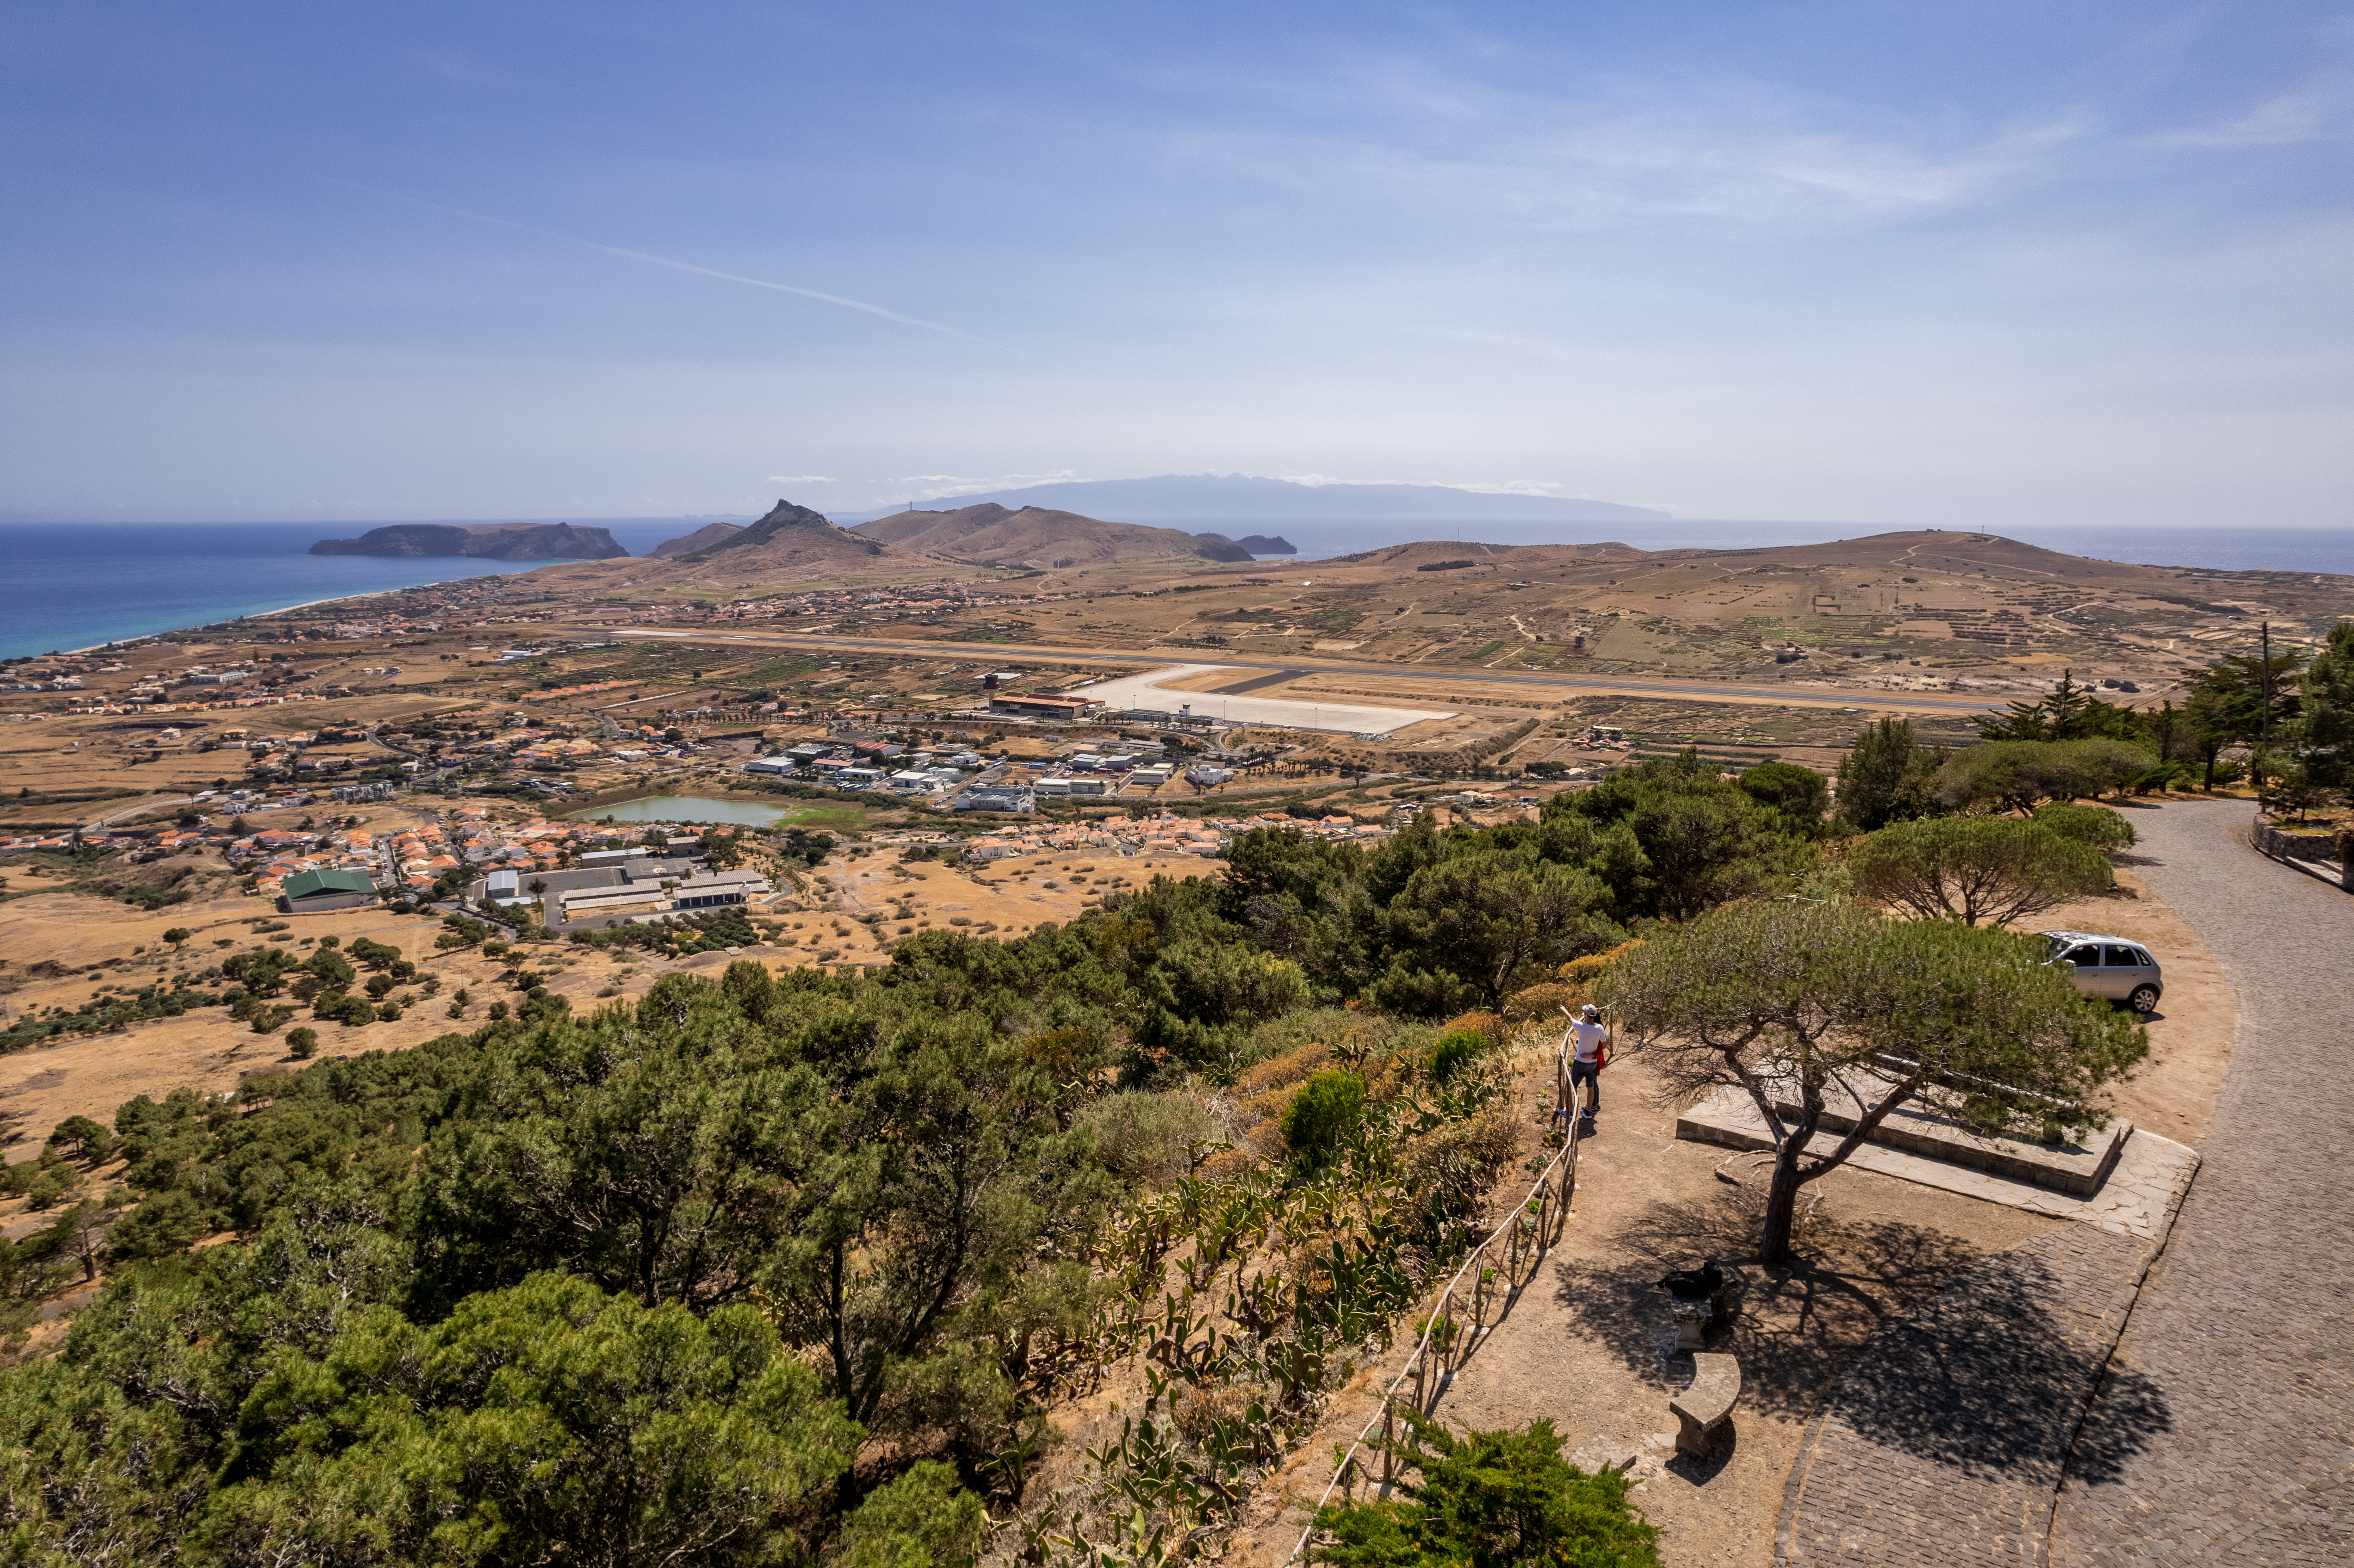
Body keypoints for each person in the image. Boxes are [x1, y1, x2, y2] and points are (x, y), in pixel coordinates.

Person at [1561, 1003, 1609, 1123]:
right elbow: (1604, 1045)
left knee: (1573, 1086)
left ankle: (1571, 1112)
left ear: (1586, 1015)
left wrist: (1565, 1010)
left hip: (1581, 1063)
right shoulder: (1600, 1028)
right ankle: (1588, 1111)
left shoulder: (1582, 1027)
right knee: (1591, 1086)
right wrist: (1593, 1055)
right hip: (1592, 1064)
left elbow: (1570, 1019)